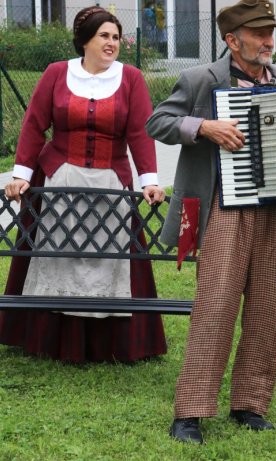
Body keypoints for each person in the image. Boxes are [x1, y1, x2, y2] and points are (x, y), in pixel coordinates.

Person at [146, 0, 276, 444]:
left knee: (266, 309)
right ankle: (190, 413)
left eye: (271, 33)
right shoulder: (201, 80)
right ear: (232, 40)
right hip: (223, 208)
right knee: (215, 307)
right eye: (260, 34)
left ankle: (250, 404)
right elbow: (158, 121)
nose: (269, 42)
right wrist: (204, 128)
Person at [0, 6, 167, 363]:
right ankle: (55, 339)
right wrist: (21, 175)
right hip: (60, 178)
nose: (112, 43)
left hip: (111, 182)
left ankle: (108, 342)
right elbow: (33, 124)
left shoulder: (131, 79)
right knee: (59, 255)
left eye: (116, 37)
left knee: (108, 259)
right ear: (85, 40)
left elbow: (140, 131)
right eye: (103, 36)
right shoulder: (57, 74)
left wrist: (149, 181)